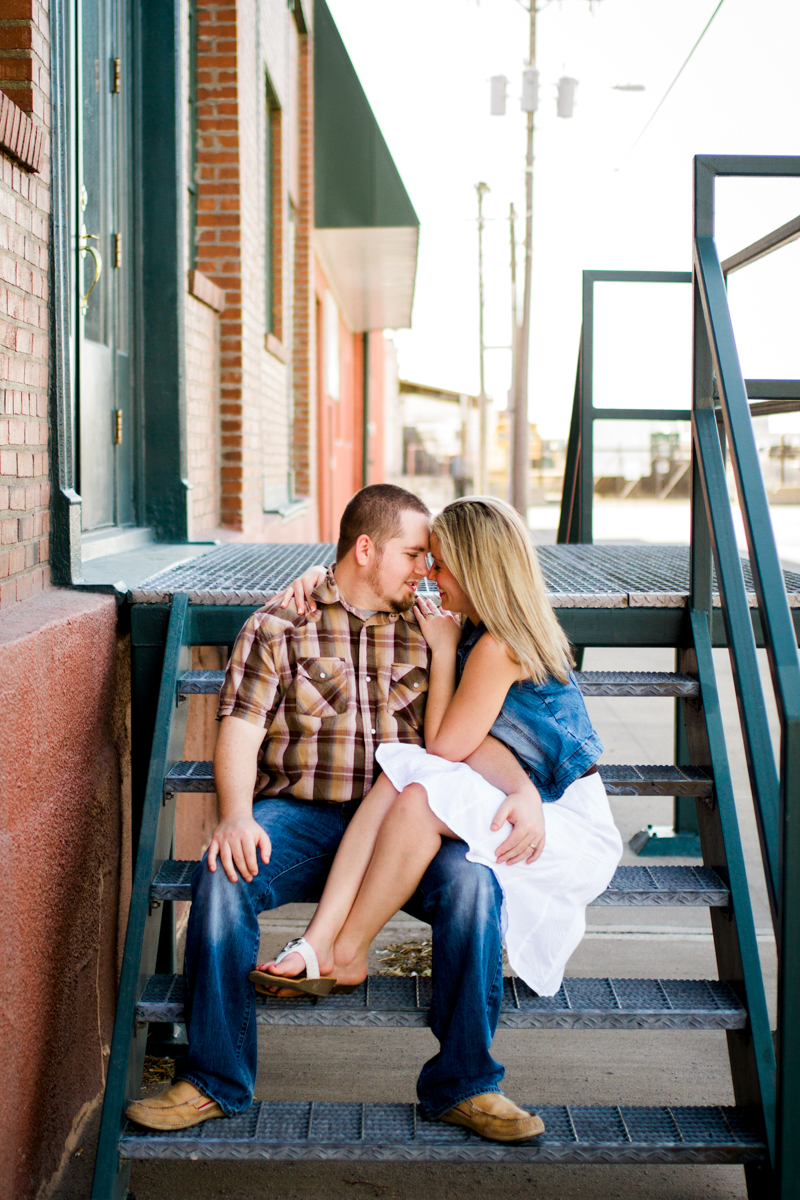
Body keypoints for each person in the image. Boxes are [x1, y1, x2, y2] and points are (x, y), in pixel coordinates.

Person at [126, 484, 549, 1144]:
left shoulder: (436, 625)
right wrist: (236, 815)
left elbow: (481, 718)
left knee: (473, 883)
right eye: (415, 554)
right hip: (303, 819)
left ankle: (467, 1083)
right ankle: (213, 1080)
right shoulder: (278, 625)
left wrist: (522, 790)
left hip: (401, 831)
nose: (427, 569)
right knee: (221, 875)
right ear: (365, 549)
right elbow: (238, 728)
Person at [254, 497, 622, 1081]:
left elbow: (447, 745)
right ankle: (320, 941)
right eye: (426, 561)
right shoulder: (487, 632)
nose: (429, 575)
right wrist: (317, 576)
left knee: (418, 792)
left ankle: (347, 950)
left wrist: (444, 651)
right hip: (528, 801)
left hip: (564, 827)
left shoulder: (498, 646)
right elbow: (461, 746)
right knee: (398, 769)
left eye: (441, 565)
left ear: (476, 570)